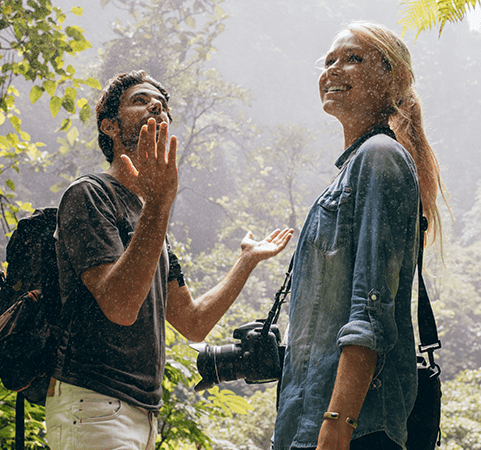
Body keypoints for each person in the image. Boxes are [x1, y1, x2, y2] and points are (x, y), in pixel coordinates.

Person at [45, 70, 293, 450]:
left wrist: (247, 260)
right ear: (109, 126)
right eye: (140, 100)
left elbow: (193, 322)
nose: (156, 106)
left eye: (162, 105)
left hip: (142, 414)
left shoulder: (148, 218)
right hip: (92, 403)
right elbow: (120, 305)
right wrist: (160, 202)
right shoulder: (89, 195)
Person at [272, 22, 445, 450]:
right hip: (310, 422)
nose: (334, 69)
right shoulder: (355, 168)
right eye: (329, 61)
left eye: (353, 59)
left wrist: (336, 423)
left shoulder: (379, 158)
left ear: (392, 79)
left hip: (354, 427)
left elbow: (370, 309)